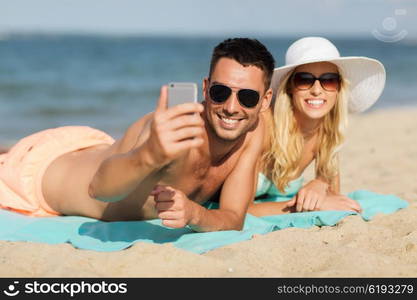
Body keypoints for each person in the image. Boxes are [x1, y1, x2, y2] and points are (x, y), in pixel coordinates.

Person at [0, 38, 274, 232]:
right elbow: (99, 189)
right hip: (40, 177)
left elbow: (233, 217)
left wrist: (196, 214)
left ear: (265, 101)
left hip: (92, 149)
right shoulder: (171, 131)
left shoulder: (253, 131)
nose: (230, 107)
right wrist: (150, 153)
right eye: (220, 92)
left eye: (248, 97)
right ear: (205, 88)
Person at [248, 37, 386, 216]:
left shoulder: (326, 131)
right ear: (289, 86)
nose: (316, 90)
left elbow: (334, 196)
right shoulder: (263, 126)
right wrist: (309, 206)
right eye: (304, 80)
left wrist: (320, 182)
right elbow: (239, 212)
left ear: (339, 89)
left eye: (329, 80)